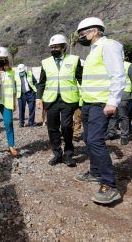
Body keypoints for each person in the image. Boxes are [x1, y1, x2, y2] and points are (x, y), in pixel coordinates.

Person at [74, 17, 125, 204]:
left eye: (83, 33)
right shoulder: (93, 51)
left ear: (95, 30)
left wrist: (113, 101)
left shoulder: (108, 46)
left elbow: (118, 75)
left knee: (95, 141)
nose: (81, 37)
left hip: (101, 104)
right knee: (88, 139)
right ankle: (95, 173)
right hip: (88, 103)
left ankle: (109, 184)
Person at [36, 34, 82, 167]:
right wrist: (38, 97)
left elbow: (81, 79)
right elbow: (42, 83)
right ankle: (57, 154)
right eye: (52, 47)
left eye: (56, 47)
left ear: (63, 47)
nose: (53, 49)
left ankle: (68, 154)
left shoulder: (74, 60)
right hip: (51, 100)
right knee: (52, 128)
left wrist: (84, 97)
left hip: (68, 100)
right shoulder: (45, 62)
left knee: (67, 126)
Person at [106, 57, 132, 144]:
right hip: (112, 93)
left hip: (124, 93)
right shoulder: (110, 65)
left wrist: (129, 90)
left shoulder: (128, 65)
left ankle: (124, 135)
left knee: (123, 115)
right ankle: (111, 132)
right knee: (112, 114)